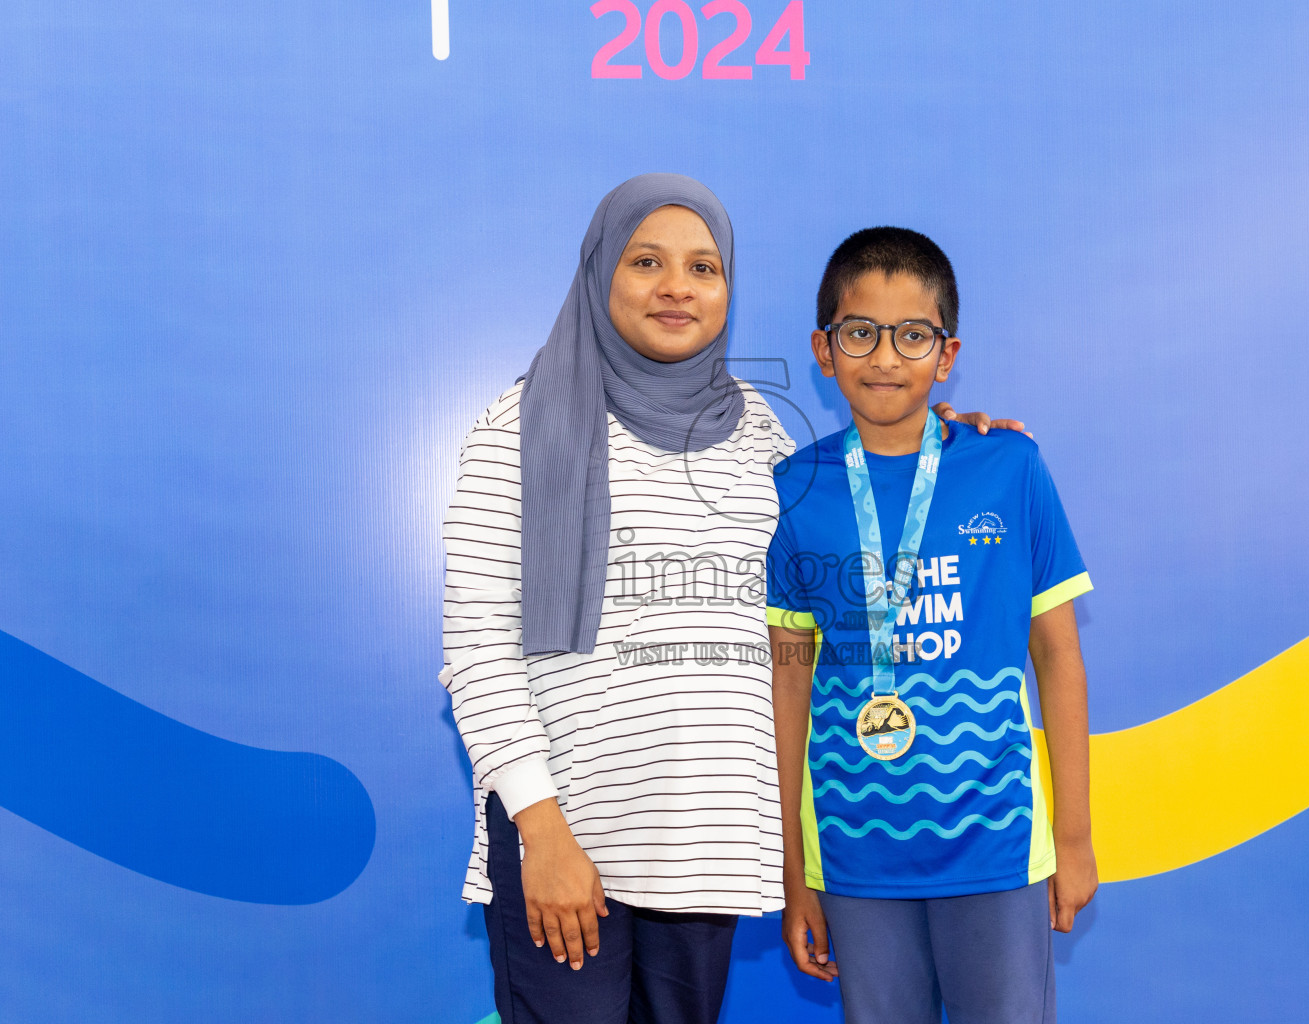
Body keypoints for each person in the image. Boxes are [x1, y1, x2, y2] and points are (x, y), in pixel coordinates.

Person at [440, 175, 1021, 1024]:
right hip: (567, 845)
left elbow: (837, 546)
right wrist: (544, 833)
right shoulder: (521, 426)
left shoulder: (761, 434)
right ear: (601, 273)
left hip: (698, 852)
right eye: (647, 261)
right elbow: (480, 652)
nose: (678, 287)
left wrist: (946, 442)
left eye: (704, 268)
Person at [766, 227, 1098, 1024]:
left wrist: (1078, 838)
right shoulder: (792, 491)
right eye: (860, 333)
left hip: (996, 842)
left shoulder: (1009, 467)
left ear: (946, 355)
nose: (885, 357)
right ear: (823, 348)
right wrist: (792, 867)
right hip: (853, 851)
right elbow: (787, 680)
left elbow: (1057, 655)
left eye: (913, 335)